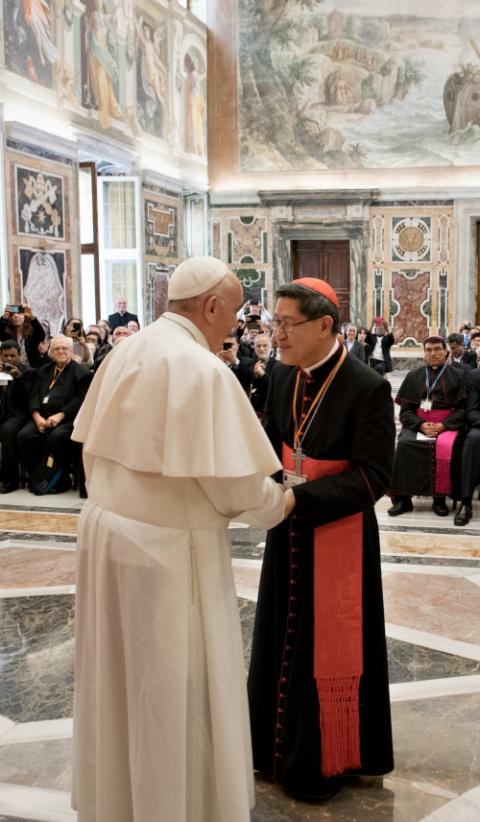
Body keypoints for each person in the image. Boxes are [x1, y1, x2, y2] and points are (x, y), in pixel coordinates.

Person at [71, 256, 292, 822]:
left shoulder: (127, 349)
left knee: (120, 686)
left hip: (108, 536)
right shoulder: (203, 369)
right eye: (235, 312)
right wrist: (284, 500)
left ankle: (119, 804)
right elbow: (237, 487)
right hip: (167, 554)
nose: (236, 327)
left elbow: (91, 445)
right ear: (212, 306)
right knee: (172, 692)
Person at [248, 277, 395, 802]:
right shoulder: (283, 377)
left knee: (326, 644)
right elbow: (271, 448)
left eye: (286, 324)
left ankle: (328, 761)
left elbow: (376, 476)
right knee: (280, 634)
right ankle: (271, 750)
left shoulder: (367, 385)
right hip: (286, 530)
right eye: (275, 323)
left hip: (339, 533)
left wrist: (301, 499)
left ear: (324, 325)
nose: (277, 334)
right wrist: (265, 487)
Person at [388, 337, 468, 517]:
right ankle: (404, 499)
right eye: (429, 350)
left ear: (445, 352)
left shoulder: (458, 376)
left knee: (447, 447)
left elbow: (463, 409)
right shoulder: (413, 376)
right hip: (419, 425)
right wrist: (421, 425)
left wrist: (443, 425)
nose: (433, 353)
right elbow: (405, 412)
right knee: (404, 445)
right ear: (424, 353)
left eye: (437, 349)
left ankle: (439, 499)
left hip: (447, 426)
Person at [18, 335, 91, 494]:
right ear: (51, 352)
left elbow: (81, 399)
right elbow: (34, 395)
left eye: (64, 348)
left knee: (56, 437)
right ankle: (39, 477)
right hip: (42, 417)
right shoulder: (44, 371)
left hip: (67, 419)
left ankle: (60, 479)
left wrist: (61, 415)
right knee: (25, 436)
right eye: (56, 348)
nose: (60, 351)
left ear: (71, 351)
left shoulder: (81, 372)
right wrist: (37, 416)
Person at [0, 341, 38, 493]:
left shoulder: (29, 372)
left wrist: (18, 378)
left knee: (7, 431)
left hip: (20, 414)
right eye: (5, 356)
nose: (9, 359)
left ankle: (11, 480)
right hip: (2, 412)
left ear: (19, 355)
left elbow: (30, 398)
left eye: (12, 356)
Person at [454, 367, 480, 526]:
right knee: (473, 440)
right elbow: (472, 410)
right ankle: (466, 501)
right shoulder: (475, 376)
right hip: (479, 425)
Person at [0, 304, 45, 368]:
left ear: (25, 316)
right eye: (13, 314)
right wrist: (4, 318)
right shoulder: (7, 334)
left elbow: (41, 336)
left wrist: (32, 317)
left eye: (19, 313)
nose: (16, 316)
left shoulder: (31, 333)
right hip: (12, 370)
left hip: (31, 370)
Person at [248, 333, 276, 417]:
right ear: (254, 348)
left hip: (270, 414)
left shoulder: (278, 366)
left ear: (271, 348)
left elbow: (277, 388)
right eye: (258, 346)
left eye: (265, 345)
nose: (261, 348)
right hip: (251, 412)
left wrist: (263, 374)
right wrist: (256, 377)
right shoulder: (248, 364)